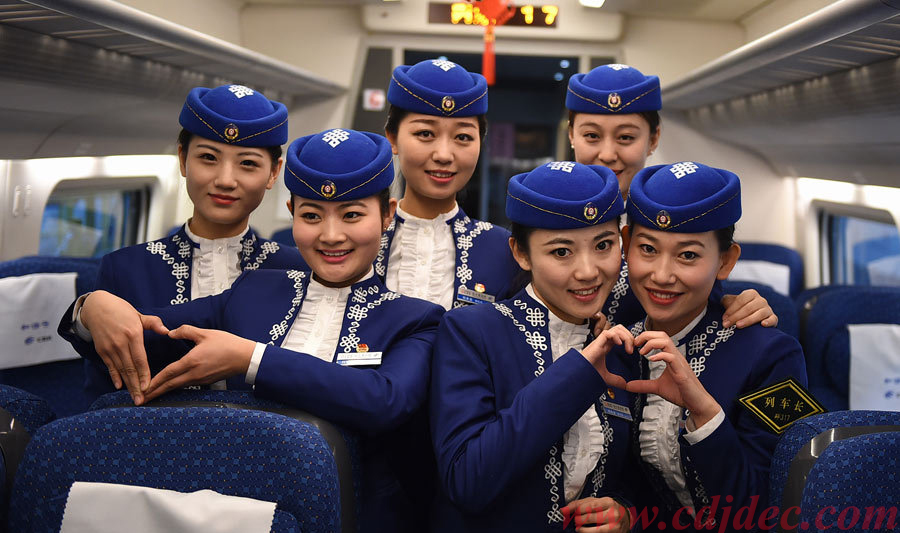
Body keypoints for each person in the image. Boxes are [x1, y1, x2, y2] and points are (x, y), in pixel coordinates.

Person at [59, 128, 445, 533]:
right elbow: (153, 332)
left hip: (359, 516)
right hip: (234, 511)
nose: (331, 235)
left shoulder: (417, 319)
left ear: (387, 214)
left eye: (352, 215)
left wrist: (251, 359)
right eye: (311, 216)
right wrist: (92, 308)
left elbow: (383, 401)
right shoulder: (255, 290)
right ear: (293, 211)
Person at [430, 160, 639, 532]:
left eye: (604, 245)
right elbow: (468, 481)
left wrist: (625, 513)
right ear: (522, 253)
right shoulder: (471, 333)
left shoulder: (621, 347)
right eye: (562, 252)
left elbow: (636, 477)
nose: (588, 271)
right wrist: (579, 372)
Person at [608, 161, 808, 530]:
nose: (662, 275)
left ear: (726, 261)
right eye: (648, 249)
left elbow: (778, 503)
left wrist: (704, 412)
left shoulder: (775, 358)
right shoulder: (620, 350)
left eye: (688, 255)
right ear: (625, 245)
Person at [82, 84, 306, 398]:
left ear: (273, 174)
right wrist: (83, 311)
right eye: (209, 158)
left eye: (248, 164)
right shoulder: (125, 269)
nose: (226, 180)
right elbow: (104, 396)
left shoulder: (297, 270)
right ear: (183, 159)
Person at [566, 64, 775, 330]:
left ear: (653, 139)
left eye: (626, 137)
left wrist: (740, 305)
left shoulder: (686, 210)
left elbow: (703, 302)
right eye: (592, 136)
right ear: (572, 134)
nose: (607, 154)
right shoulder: (544, 215)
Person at [378, 58, 520, 310]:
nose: (444, 154)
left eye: (463, 137)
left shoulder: (507, 251)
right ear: (392, 137)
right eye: (425, 134)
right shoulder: (361, 243)